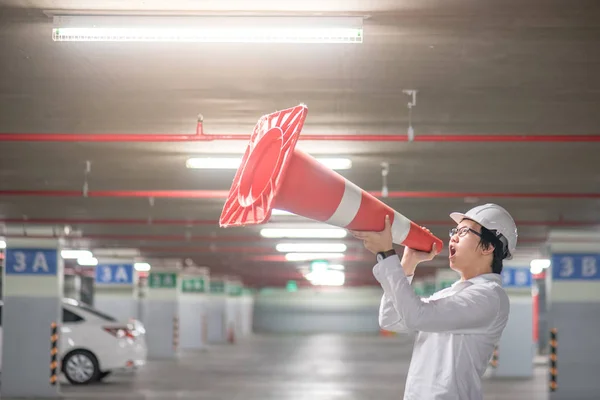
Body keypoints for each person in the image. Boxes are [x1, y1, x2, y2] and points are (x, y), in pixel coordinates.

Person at [350, 203, 518, 400]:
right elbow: (391, 320)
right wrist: (407, 264)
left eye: (463, 232)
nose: (453, 237)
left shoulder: (489, 297)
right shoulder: (450, 294)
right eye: (454, 231)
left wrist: (386, 254)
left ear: (489, 246)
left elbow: (416, 316)